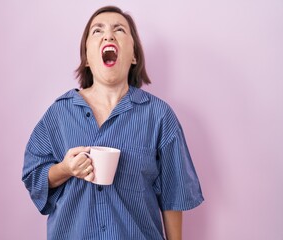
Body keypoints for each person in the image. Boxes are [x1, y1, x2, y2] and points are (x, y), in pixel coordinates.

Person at [22, 5, 203, 240]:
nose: (108, 35)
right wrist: (65, 169)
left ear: (134, 55)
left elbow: (174, 195)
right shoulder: (58, 114)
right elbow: (33, 177)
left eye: (119, 30)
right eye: (97, 31)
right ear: (86, 57)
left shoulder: (159, 116)